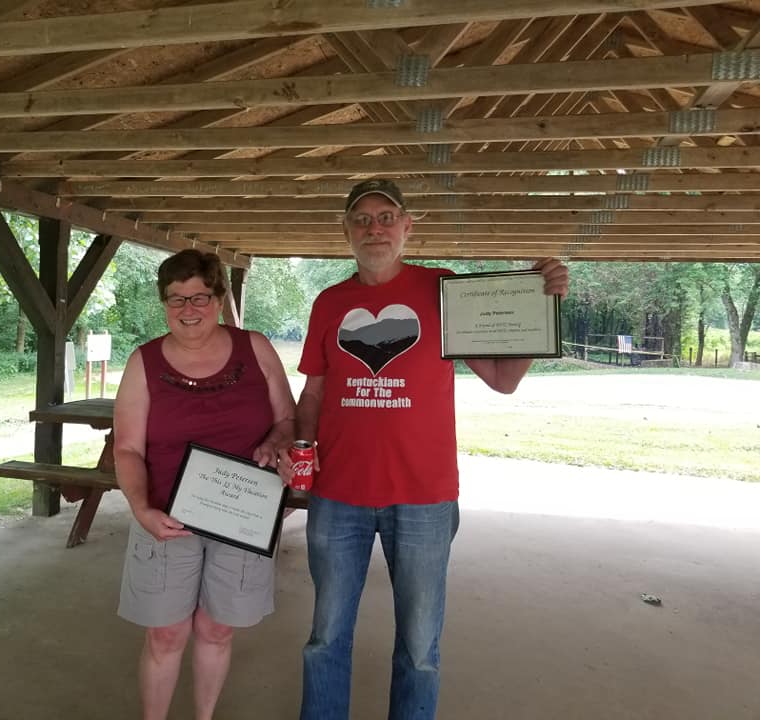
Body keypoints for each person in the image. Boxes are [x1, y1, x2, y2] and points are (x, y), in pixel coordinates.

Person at [278, 178, 569, 720]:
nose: (374, 228)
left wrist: (540, 307)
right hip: (338, 493)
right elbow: (314, 389)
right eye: (361, 218)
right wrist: (300, 448)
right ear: (345, 231)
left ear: (408, 227)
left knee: (419, 650)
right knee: (325, 638)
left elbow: (503, 379)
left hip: (424, 498)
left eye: (386, 216)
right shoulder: (330, 302)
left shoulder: (443, 289)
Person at [112, 248, 295, 720]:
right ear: (164, 304)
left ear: (219, 299)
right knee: (166, 633)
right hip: (165, 515)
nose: (188, 309)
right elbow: (128, 449)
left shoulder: (255, 348)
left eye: (199, 297)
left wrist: (278, 441)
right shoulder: (144, 362)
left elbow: (288, 419)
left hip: (243, 516)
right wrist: (139, 509)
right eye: (176, 299)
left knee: (217, 629)